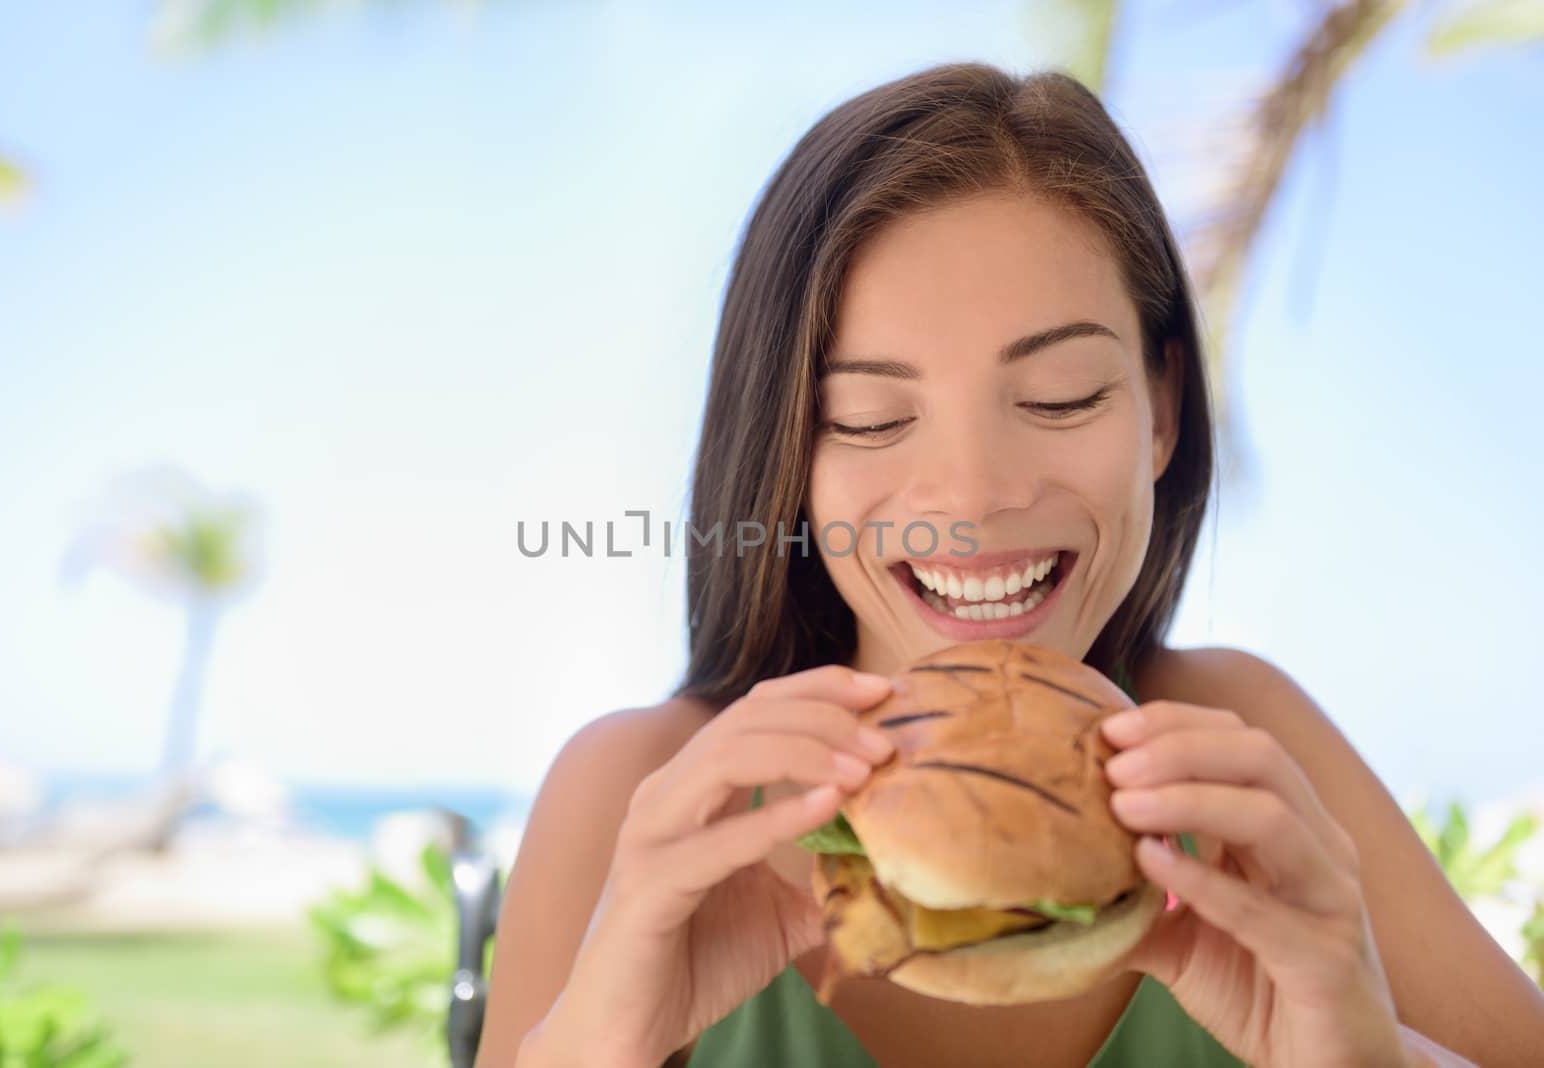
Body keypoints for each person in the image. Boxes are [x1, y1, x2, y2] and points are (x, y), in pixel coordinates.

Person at [477, 62, 1544, 1067]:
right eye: (871, 416)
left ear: (1161, 411)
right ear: (786, 458)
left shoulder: (1241, 761)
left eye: (1061, 398)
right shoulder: (642, 797)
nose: (974, 494)